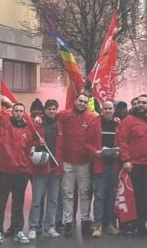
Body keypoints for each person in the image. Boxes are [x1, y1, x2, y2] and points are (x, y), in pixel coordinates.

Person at [0, 89, 35, 246]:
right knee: (0, 202)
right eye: (16, 110)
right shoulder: (3, 124)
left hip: (21, 172)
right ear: (12, 112)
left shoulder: (28, 130)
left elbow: (31, 148)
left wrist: (39, 145)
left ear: (24, 114)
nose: (19, 113)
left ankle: (18, 230)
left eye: (21, 111)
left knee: (18, 203)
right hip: (4, 171)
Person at [58, 91, 99, 237]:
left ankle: (85, 221)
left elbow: (98, 135)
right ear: (75, 101)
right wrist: (38, 118)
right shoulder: (64, 115)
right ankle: (68, 222)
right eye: (80, 101)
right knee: (68, 193)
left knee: (85, 193)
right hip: (67, 161)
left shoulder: (92, 117)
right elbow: (49, 119)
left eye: (85, 102)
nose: (82, 103)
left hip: (84, 162)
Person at [117, 94, 147, 237]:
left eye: (144, 103)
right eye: (139, 102)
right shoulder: (128, 120)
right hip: (134, 164)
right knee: (135, 196)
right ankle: (135, 224)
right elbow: (122, 140)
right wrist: (125, 160)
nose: (141, 105)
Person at [28, 98, 62, 240]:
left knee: (53, 200)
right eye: (49, 108)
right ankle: (33, 227)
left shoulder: (60, 125)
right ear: (45, 110)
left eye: (54, 108)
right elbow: (29, 142)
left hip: (56, 167)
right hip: (41, 167)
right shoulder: (37, 124)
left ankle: (50, 226)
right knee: (37, 199)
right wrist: (37, 142)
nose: (52, 111)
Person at [91, 100, 120, 238]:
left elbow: (123, 141)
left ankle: (110, 224)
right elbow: (87, 143)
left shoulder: (118, 124)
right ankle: (98, 225)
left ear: (114, 110)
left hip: (113, 165)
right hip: (99, 165)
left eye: (110, 108)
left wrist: (119, 153)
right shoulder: (95, 123)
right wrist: (94, 152)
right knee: (100, 196)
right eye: (105, 108)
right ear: (102, 110)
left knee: (112, 196)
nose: (108, 111)